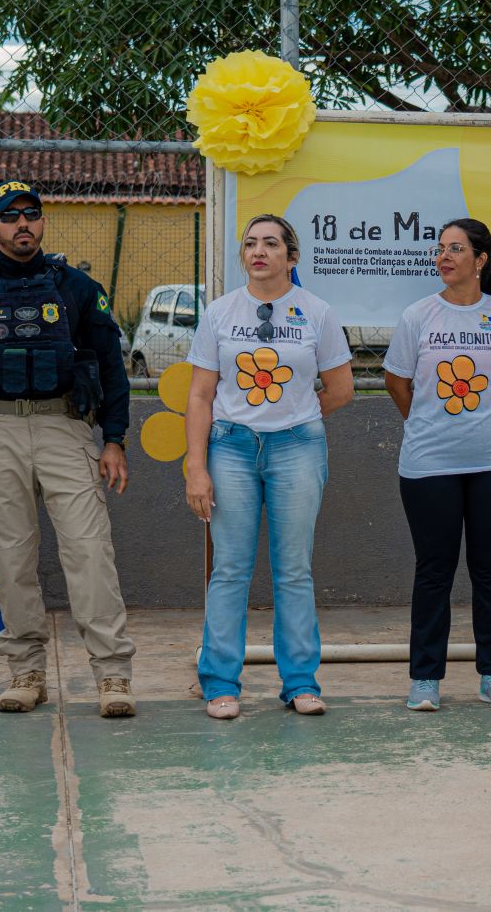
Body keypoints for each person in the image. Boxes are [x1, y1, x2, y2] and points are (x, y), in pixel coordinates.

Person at [0, 180, 137, 718]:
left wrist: (114, 439)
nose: (22, 225)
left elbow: (112, 366)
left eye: (30, 215)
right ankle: (26, 671)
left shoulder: (78, 288)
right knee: (10, 555)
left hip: (66, 428)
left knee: (89, 551)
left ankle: (112, 676)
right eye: (10, 217)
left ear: (42, 222)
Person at [184, 214, 354, 720]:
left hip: (297, 448)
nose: (259, 251)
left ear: (291, 257)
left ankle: (300, 682)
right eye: (251, 243)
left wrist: (295, 417)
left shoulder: (317, 313)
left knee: (294, 569)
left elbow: (341, 389)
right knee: (231, 568)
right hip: (231, 447)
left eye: (272, 243)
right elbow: (199, 395)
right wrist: (197, 466)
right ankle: (220, 683)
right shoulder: (219, 313)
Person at [383, 218, 491, 712]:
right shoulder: (417, 316)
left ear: (481, 260)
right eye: (440, 248)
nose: (444, 256)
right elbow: (398, 382)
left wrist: (473, 425)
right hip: (428, 465)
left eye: (456, 249)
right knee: (434, 571)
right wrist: (431, 424)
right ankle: (425, 679)